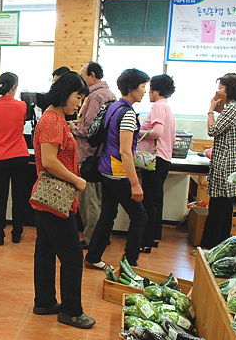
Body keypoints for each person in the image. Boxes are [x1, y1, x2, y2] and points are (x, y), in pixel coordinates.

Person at [32, 71, 95, 329]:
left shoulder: (55, 119)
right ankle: (71, 310)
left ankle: (45, 301)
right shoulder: (52, 121)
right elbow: (49, 161)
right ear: (64, 93)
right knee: (71, 255)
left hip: (51, 198)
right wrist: (77, 180)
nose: (79, 104)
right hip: (55, 197)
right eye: (78, 97)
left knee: (46, 251)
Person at [84, 68, 150, 269]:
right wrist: (135, 184)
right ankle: (130, 262)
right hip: (118, 172)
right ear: (131, 88)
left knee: (108, 214)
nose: (145, 91)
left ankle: (93, 256)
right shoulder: (128, 114)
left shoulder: (113, 107)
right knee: (140, 216)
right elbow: (125, 151)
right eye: (142, 87)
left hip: (105, 168)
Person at [200, 73, 236, 249]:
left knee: (218, 208)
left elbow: (212, 130)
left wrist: (210, 110)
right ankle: (218, 244)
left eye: (220, 87)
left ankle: (210, 246)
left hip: (225, 165)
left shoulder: (233, 109)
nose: (217, 91)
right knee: (224, 208)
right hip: (231, 164)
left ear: (229, 90)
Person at [72, 61, 116, 250]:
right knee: (98, 201)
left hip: (88, 155)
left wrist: (72, 126)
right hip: (101, 155)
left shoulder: (95, 96)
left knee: (89, 203)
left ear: (91, 75)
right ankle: (101, 236)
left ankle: (92, 239)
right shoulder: (109, 94)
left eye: (83, 75)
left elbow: (87, 128)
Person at [0, 72, 29, 245]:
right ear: (13, 87)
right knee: (19, 196)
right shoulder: (22, 106)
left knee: (0, 196)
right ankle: (17, 233)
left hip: (0, 156)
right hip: (20, 155)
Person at [138, 74, 176, 253]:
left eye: (150, 88)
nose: (148, 92)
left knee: (149, 201)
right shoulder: (167, 107)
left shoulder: (159, 106)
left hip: (154, 159)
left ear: (157, 90)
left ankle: (145, 240)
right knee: (156, 200)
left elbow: (157, 131)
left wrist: (138, 132)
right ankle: (153, 237)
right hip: (164, 158)